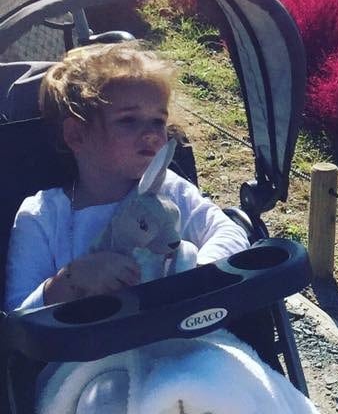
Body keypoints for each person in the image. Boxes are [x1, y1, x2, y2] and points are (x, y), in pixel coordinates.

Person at [5, 43, 318, 414]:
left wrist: (201, 273)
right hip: (88, 365)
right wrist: (71, 280)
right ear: (76, 136)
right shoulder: (43, 215)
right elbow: (16, 322)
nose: (153, 134)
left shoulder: (170, 188)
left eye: (158, 120)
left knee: (231, 385)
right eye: (129, 120)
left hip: (186, 342)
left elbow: (227, 231)